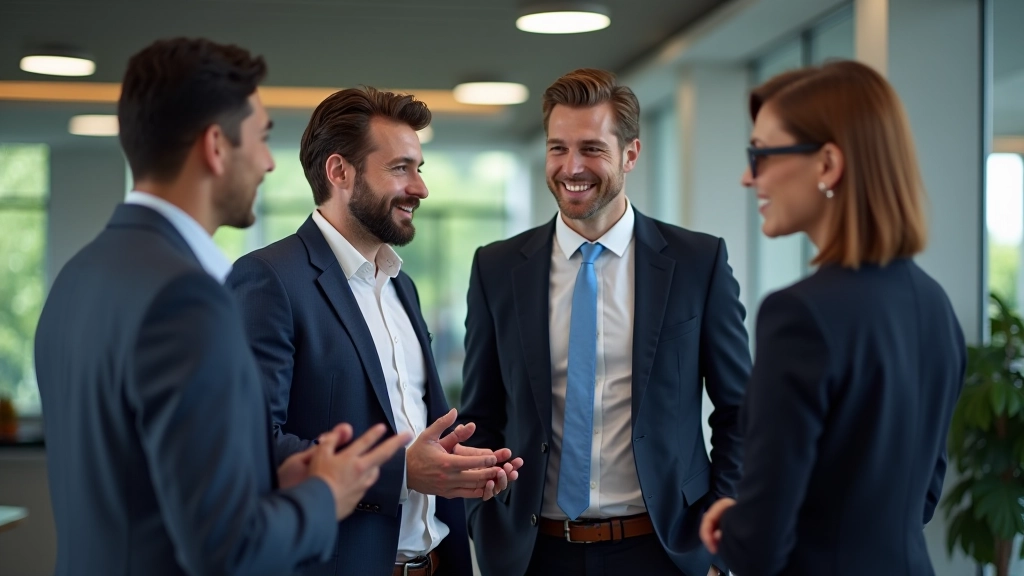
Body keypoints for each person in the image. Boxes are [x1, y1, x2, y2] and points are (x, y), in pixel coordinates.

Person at [34, 38, 410, 576]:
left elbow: (147, 477)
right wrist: (326, 495)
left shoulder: (79, 275)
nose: (268, 163)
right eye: (260, 138)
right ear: (215, 147)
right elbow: (225, 546)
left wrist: (272, 471)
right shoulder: (184, 298)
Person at [458, 68, 751, 576]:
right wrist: (482, 522)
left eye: (591, 148)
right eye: (557, 148)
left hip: (662, 551)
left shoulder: (697, 263)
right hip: (533, 554)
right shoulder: (497, 267)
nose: (572, 167)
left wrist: (716, 542)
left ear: (630, 154)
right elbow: (481, 414)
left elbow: (739, 413)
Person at [227, 86, 523, 576]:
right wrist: (403, 471)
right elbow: (253, 443)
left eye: (419, 168)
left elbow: (410, 428)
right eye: (400, 168)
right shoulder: (268, 280)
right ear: (340, 172)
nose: (421, 188)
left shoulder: (401, 285)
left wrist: (455, 469)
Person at [699, 60, 966, 576]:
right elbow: (919, 498)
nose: (748, 176)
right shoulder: (934, 303)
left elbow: (761, 546)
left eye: (761, 154)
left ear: (827, 164)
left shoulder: (798, 314)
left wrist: (734, 526)